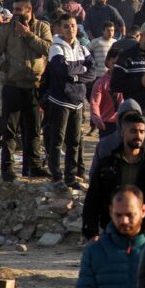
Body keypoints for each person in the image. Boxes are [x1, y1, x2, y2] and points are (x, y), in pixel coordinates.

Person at [0, 0, 53, 181]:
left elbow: (49, 49)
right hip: (13, 86)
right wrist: (3, 66)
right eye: (13, 9)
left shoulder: (42, 27)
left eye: (18, 10)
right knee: (9, 131)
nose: (14, 13)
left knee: (32, 130)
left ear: (29, 10)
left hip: (34, 86)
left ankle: (33, 167)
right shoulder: (7, 29)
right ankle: (7, 169)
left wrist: (28, 35)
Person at [82, 112, 145, 240]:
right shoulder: (107, 164)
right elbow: (93, 199)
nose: (138, 136)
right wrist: (91, 232)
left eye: (142, 131)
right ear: (122, 133)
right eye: (133, 131)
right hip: (111, 230)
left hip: (143, 232)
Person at [46, 13, 95, 187]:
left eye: (73, 25)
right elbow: (62, 71)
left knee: (74, 141)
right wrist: (79, 71)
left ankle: (71, 176)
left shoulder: (82, 48)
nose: (70, 29)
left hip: (78, 101)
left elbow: (92, 71)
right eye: (66, 26)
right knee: (57, 140)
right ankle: (56, 175)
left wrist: (75, 74)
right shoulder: (56, 47)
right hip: (61, 100)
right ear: (60, 28)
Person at [89, 48, 124, 139]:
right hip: (107, 125)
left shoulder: (127, 80)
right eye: (114, 63)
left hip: (124, 123)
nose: (117, 67)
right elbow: (94, 103)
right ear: (108, 62)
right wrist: (97, 120)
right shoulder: (101, 82)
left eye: (119, 64)